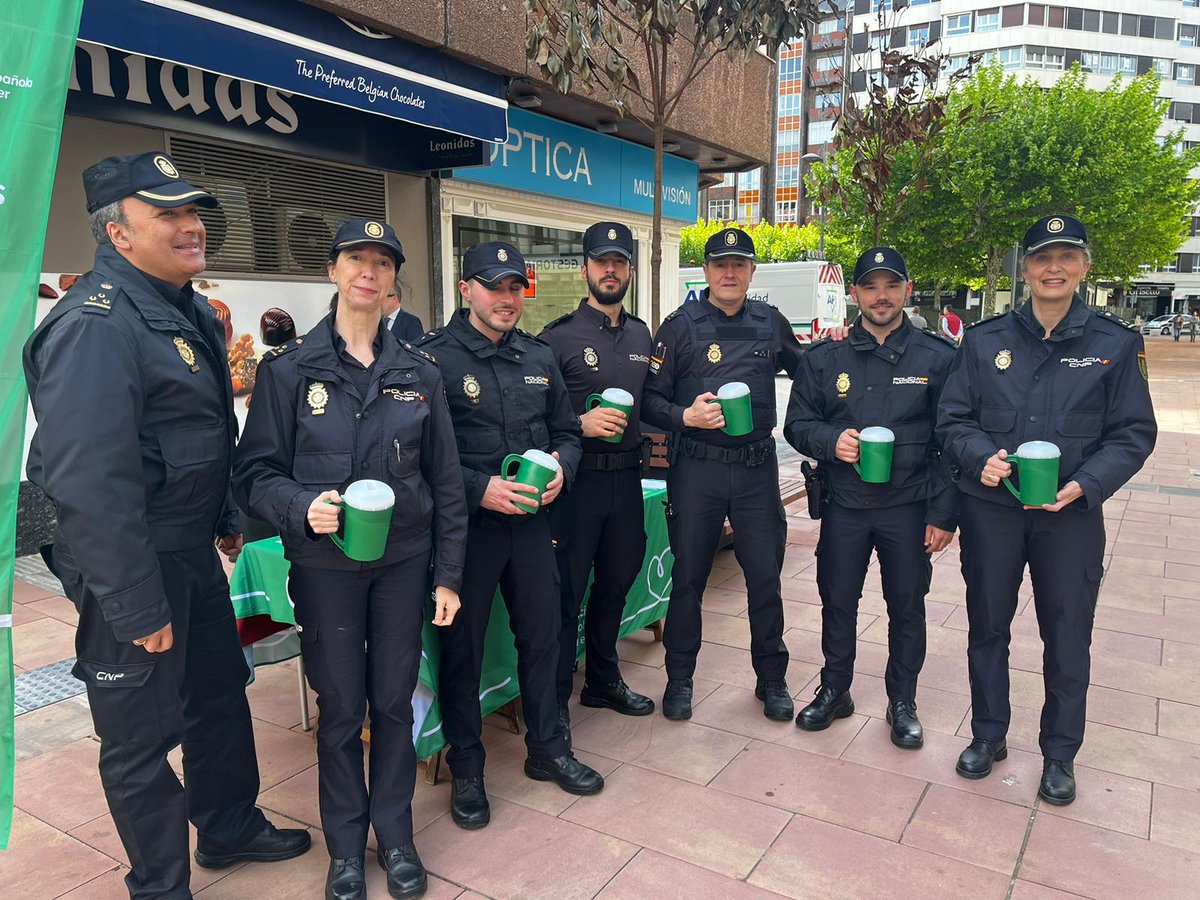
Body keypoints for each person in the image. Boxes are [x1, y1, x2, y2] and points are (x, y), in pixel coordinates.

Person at [23, 151, 310, 900]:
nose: (191, 228)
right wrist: (134, 601)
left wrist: (221, 514)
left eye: (192, 213)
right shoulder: (96, 326)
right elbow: (89, 481)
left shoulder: (180, 307)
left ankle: (228, 825)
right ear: (118, 233)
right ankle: (159, 885)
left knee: (217, 695)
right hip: (132, 559)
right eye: (168, 215)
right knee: (140, 737)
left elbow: (197, 428)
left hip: (186, 547)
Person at [233, 218, 467, 900]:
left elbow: (446, 479)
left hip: (403, 565)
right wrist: (301, 505)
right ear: (333, 270)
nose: (369, 271)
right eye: (355, 258)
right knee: (339, 708)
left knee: (393, 704)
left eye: (382, 262)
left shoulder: (420, 373)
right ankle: (344, 847)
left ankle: (395, 837)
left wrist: (447, 574)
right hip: (325, 568)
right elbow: (254, 474)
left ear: (394, 281)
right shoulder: (286, 373)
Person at [937, 214, 1156, 806]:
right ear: (1024, 267)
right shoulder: (984, 342)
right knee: (987, 628)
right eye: (1040, 257)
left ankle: (1060, 753)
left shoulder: (1115, 344)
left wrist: (1086, 484)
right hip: (993, 512)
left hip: (1070, 519)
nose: (1052, 268)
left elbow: (1134, 433)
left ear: (1084, 265)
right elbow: (952, 418)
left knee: (1066, 636)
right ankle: (989, 735)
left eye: (1066, 256)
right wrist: (979, 455)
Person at [416, 241, 603, 831]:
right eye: (494, 286)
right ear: (466, 287)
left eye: (515, 288)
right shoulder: (430, 362)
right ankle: (468, 769)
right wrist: (479, 488)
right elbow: (419, 457)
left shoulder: (539, 357)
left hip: (531, 525)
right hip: (466, 533)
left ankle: (548, 750)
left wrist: (561, 472)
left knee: (545, 639)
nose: (506, 299)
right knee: (463, 652)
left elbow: (568, 432)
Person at [784, 247, 957, 747]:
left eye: (891, 285)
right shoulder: (824, 357)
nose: (881, 296)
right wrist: (828, 442)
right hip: (844, 505)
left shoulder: (938, 357)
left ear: (906, 288)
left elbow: (954, 440)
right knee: (837, 601)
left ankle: (902, 701)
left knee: (907, 606)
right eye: (871, 286)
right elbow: (797, 423)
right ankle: (836, 689)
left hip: (910, 509)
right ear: (854, 293)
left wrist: (944, 514)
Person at [641, 227, 804, 721]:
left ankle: (772, 680)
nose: (729, 272)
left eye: (739, 264)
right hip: (697, 472)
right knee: (688, 580)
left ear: (752, 271)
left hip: (756, 472)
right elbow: (649, 399)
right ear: (706, 271)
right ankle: (680, 681)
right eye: (720, 264)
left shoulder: (770, 321)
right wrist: (684, 417)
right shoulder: (678, 327)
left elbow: (812, 373)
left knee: (765, 580)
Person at [539, 222, 656, 745]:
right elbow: (530, 419)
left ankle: (603, 678)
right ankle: (558, 698)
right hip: (578, 486)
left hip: (628, 480)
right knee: (565, 594)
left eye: (620, 261)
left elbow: (654, 400)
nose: (610, 270)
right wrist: (575, 426)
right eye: (601, 261)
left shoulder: (641, 336)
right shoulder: (555, 339)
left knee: (617, 582)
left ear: (629, 269)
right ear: (584, 268)